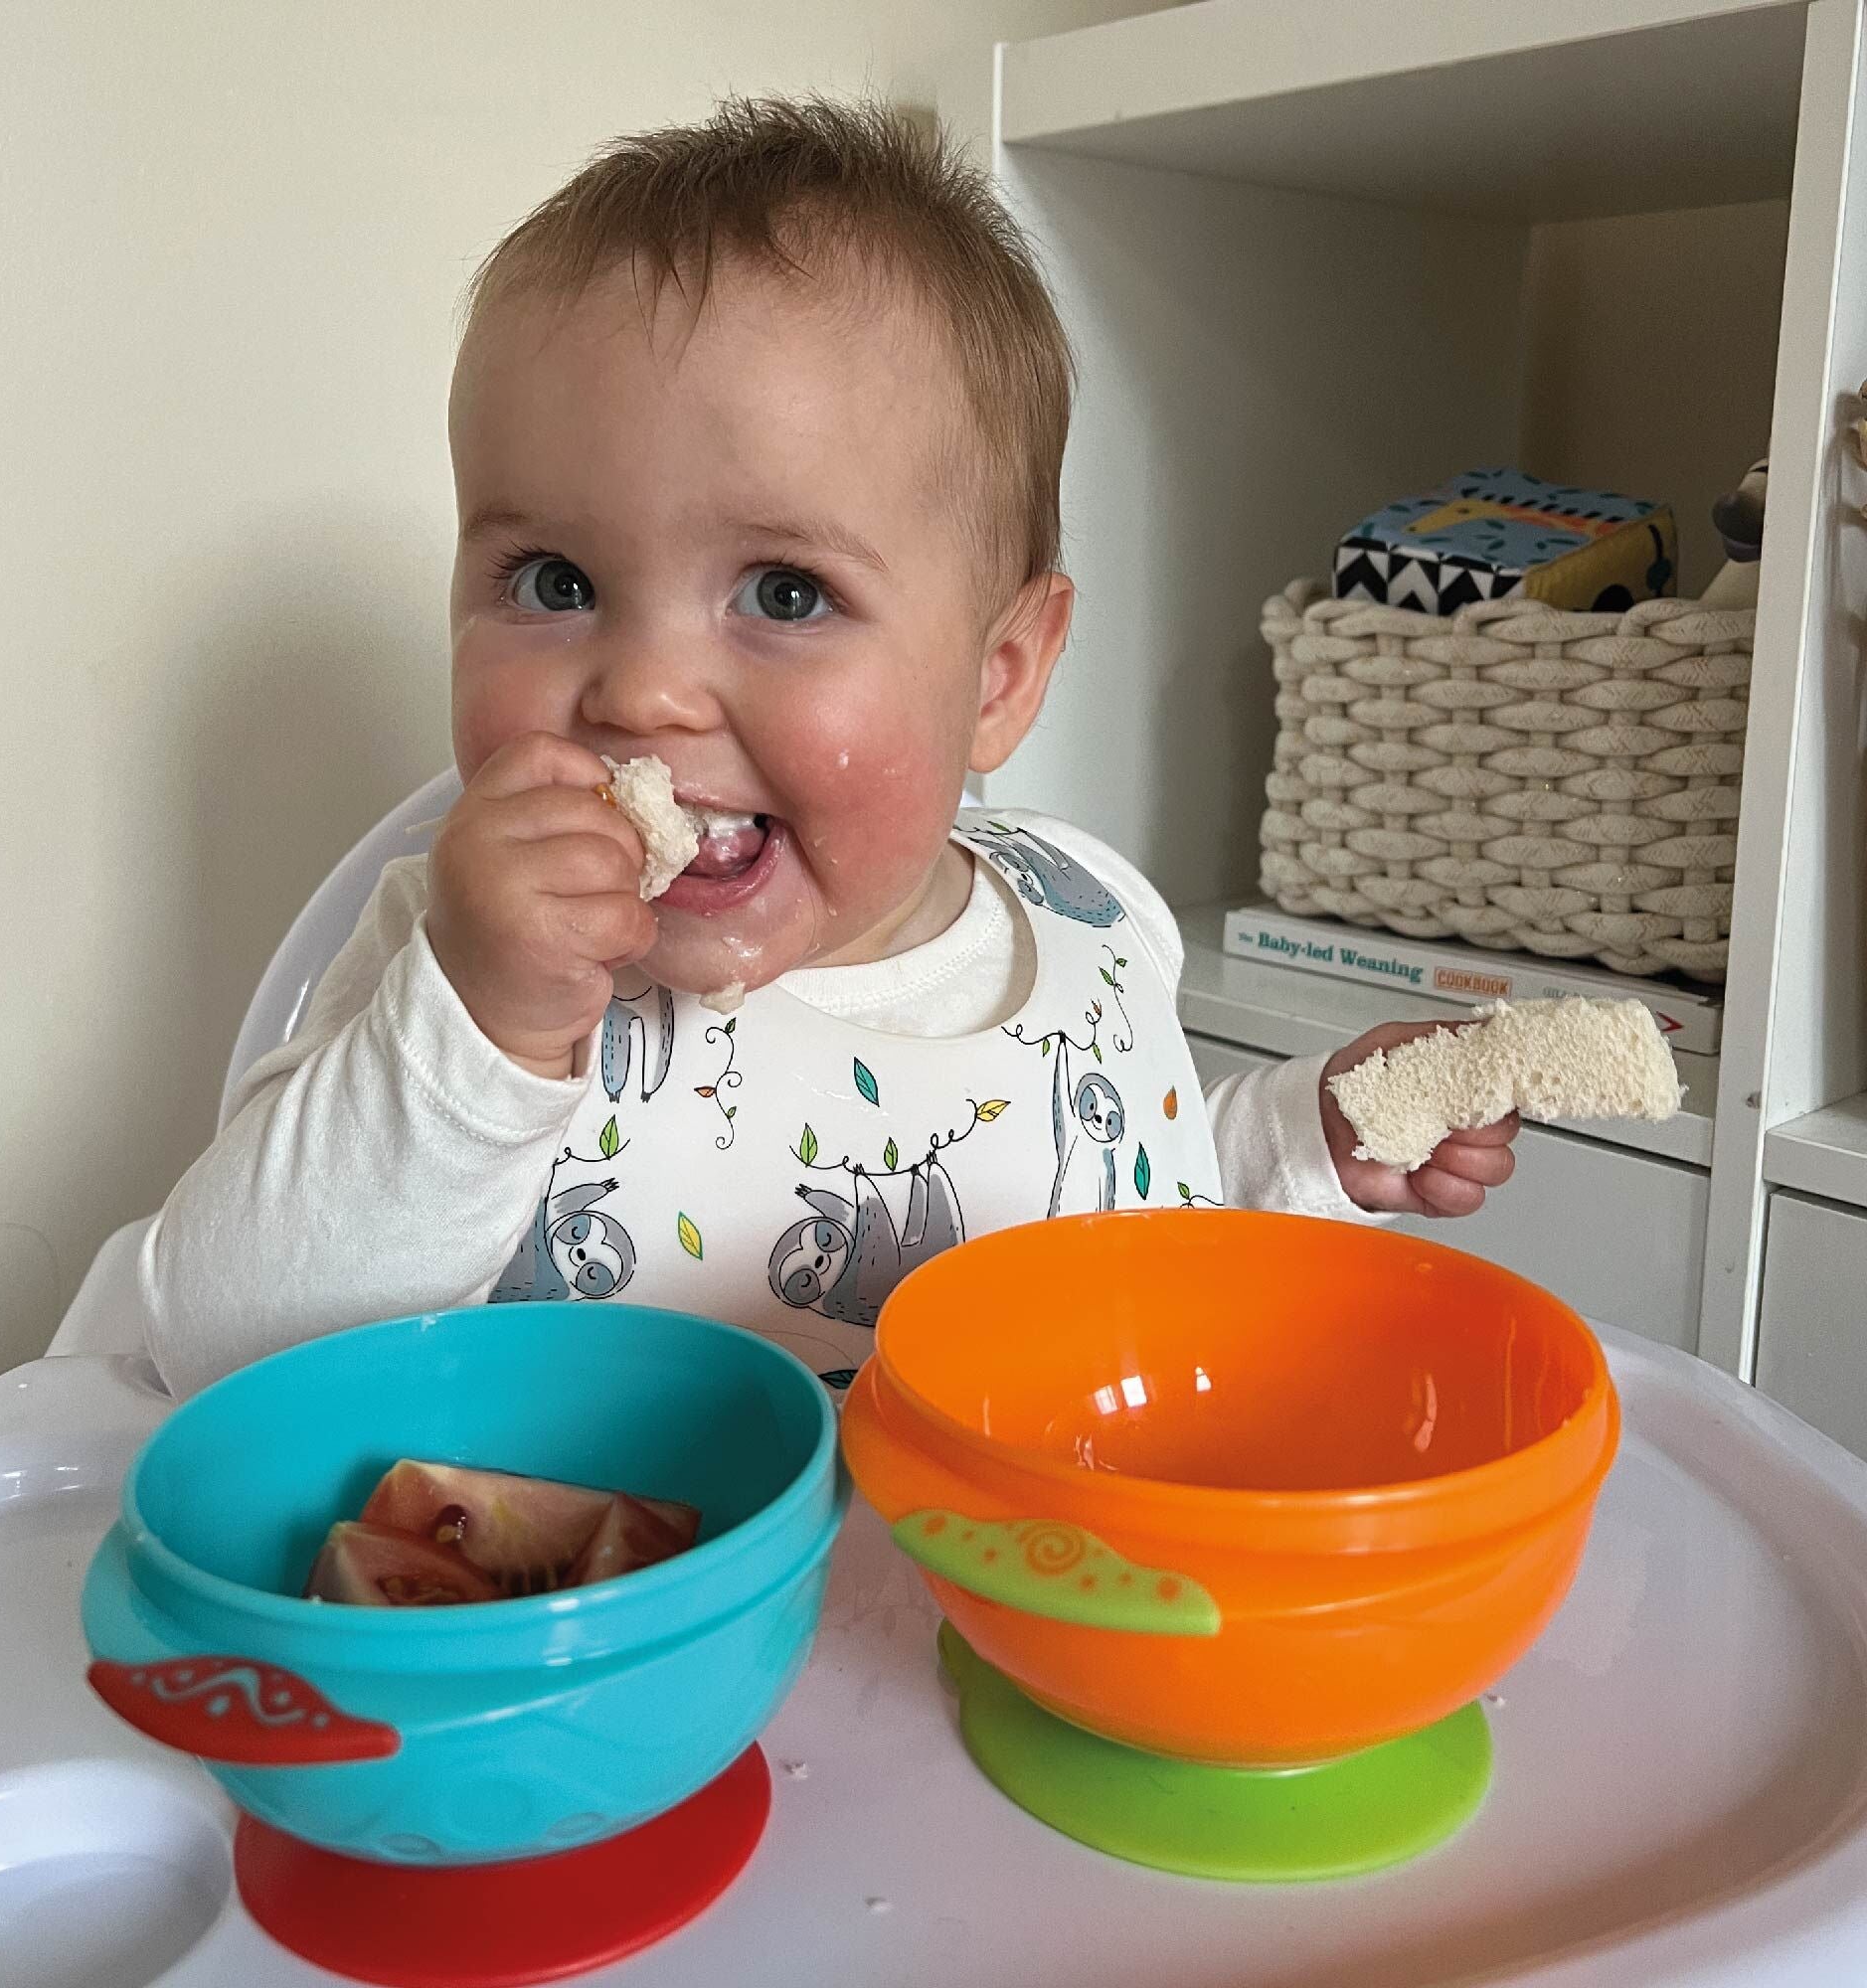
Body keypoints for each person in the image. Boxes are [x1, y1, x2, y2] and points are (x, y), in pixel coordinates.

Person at [139, 97, 1517, 1400]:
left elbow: (1128, 1195)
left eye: (785, 594)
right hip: (623, 1633)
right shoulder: (463, 968)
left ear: (998, 676)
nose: (644, 694)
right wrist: (479, 1033)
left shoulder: (1096, 920)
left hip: (1020, 1623)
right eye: (555, 580)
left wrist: (1299, 1143)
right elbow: (223, 1347)